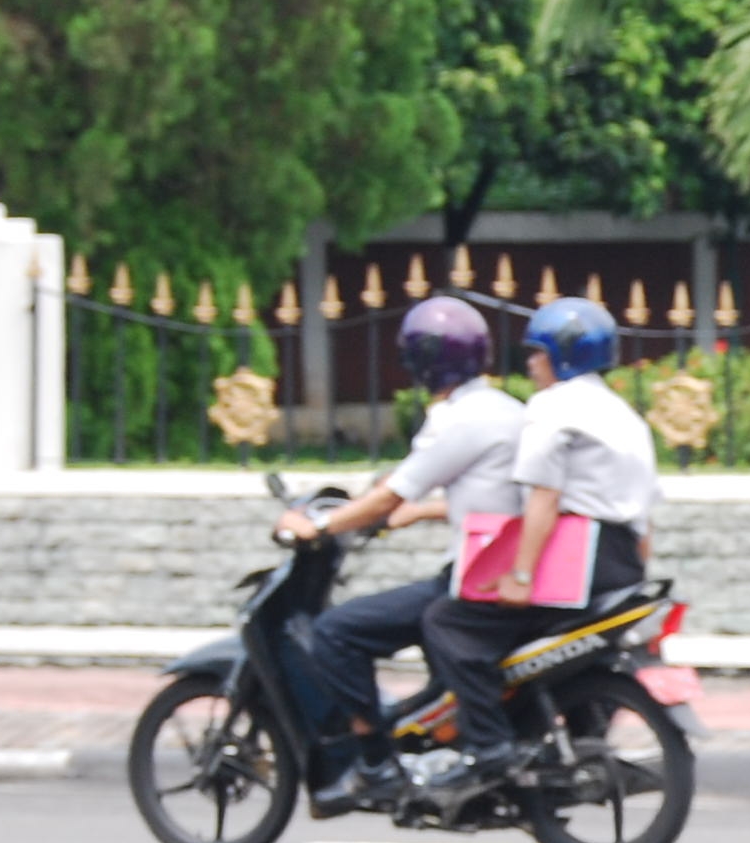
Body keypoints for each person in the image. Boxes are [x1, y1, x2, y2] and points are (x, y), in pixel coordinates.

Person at [272, 294, 524, 816]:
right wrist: (422, 511)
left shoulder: (461, 419)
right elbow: (480, 495)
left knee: (337, 631)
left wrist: (318, 524)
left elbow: (391, 495)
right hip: (501, 563)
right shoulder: (500, 409)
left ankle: (375, 760)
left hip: (476, 577)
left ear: (424, 363)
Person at [418, 295, 660, 796]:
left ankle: (488, 749)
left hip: (579, 560)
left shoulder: (552, 408)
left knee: (448, 621)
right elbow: (645, 519)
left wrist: (521, 575)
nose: (529, 365)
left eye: (536, 354)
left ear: (560, 355)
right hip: (623, 566)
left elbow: (543, 500)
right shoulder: (625, 417)